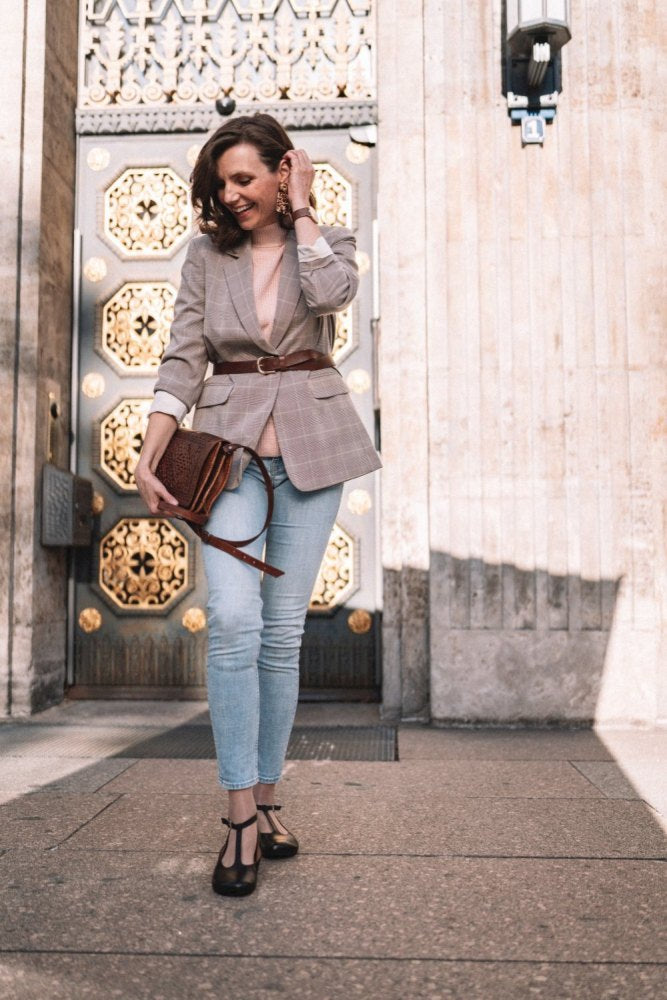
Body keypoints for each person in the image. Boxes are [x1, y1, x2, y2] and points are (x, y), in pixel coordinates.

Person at [135, 113, 381, 897]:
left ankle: (269, 795)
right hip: (228, 455)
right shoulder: (206, 257)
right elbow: (183, 356)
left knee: (280, 638)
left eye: (245, 178)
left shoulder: (326, 238)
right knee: (235, 624)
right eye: (222, 184)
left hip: (313, 451)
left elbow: (333, 294)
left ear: (284, 171)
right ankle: (240, 811)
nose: (232, 195)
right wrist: (150, 444)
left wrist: (305, 210)